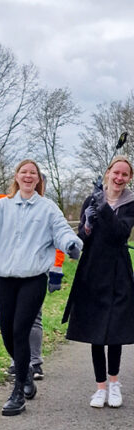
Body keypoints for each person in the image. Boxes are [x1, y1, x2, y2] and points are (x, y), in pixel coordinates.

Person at [0, 159, 82, 416]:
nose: (28, 176)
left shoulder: (48, 208)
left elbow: (61, 231)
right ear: (16, 176)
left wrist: (71, 244)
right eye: (24, 172)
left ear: (38, 180)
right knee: (7, 333)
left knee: (20, 330)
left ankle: (17, 394)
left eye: (33, 173)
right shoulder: (2, 206)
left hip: (33, 279)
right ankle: (26, 374)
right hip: (6, 279)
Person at [0, 170, 65, 380]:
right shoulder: (7, 203)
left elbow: (59, 239)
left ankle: (34, 362)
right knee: (11, 322)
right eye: (24, 176)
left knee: (32, 319)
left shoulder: (47, 210)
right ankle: (18, 362)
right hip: (10, 275)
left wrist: (56, 270)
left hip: (34, 273)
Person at [62, 156, 134, 408]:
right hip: (92, 269)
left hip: (118, 271)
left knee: (114, 330)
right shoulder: (90, 199)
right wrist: (87, 225)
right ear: (108, 173)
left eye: (125, 174)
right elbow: (82, 239)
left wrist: (104, 208)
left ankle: (114, 383)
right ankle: (100, 387)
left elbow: (120, 234)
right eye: (116, 172)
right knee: (95, 328)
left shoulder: (130, 203)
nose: (119, 178)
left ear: (129, 178)